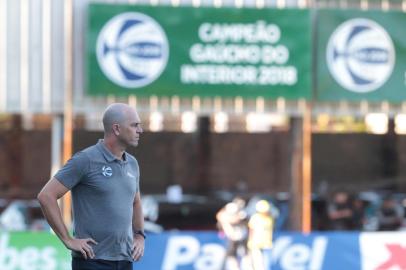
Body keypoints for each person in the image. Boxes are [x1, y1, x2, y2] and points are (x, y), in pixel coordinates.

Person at [37, 103, 145, 270]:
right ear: (116, 129)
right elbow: (46, 196)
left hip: (125, 260)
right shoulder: (85, 160)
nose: (140, 130)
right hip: (92, 261)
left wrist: (140, 236)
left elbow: (136, 201)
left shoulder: (132, 163)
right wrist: (67, 239)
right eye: (134, 125)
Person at [216, 197, 249, 270]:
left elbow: (244, 221)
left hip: (241, 235)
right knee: (230, 254)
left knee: (244, 253)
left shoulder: (243, 212)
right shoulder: (231, 209)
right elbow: (220, 216)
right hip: (232, 235)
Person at [247, 200, 274, 270]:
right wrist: (250, 241)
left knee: (266, 262)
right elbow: (251, 230)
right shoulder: (255, 217)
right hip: (256, 243)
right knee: (257, 262)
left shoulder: (269, 218)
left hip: (266, 243)